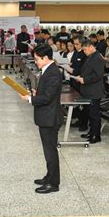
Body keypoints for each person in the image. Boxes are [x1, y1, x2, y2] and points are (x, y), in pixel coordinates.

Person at [19, 44, 63, 194]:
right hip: (46, 116)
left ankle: (53, 183)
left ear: (45, 58)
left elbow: (48, 98)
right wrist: (37, 92)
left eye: (37, 59)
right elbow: (47, 92)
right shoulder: (48, 70)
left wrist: (30, 99)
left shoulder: (53, 73)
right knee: (47, 150)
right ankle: (49, 176)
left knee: (50, 151)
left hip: (50, 118)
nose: (35, 62)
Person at [76, 39, 105, 144]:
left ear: (92, 47)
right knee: (89, 113)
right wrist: (81, 76)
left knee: (94, 114)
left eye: (85, 49)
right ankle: (91, 132)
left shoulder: (98, 58)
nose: (84, 52)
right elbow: (88, 71)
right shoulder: (91, 57)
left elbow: (97, 75)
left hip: (94, 90)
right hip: (88, 90)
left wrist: (84, 79)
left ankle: (96, 136)